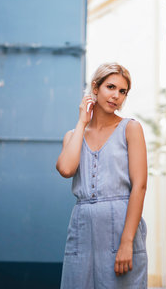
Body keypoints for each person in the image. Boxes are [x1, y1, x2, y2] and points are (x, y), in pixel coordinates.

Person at [56, 62, 148, 288]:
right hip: (82, 228)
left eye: (122, 91)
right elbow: (66, 170)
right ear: (95, 89)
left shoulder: (131, 129)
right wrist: (82, 122)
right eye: (111, 87)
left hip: (120, 228)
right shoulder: (72, 136)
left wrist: (127, 242)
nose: (116, 95)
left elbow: (140, 186)